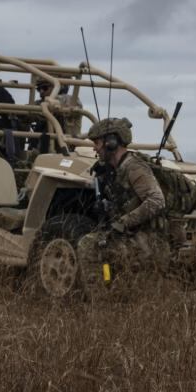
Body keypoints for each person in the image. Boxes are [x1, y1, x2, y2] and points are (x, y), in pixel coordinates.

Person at [76, 117, 170, 285]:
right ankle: (111, 289)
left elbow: (157, 201)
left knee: (88, 245)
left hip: (150, 239)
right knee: (98, 243)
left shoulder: (134, 167)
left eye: (97, 143)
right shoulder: (114, 169)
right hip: (134, 235)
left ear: (111, 142)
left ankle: (100, 299)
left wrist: (123, 222)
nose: (95, 148)